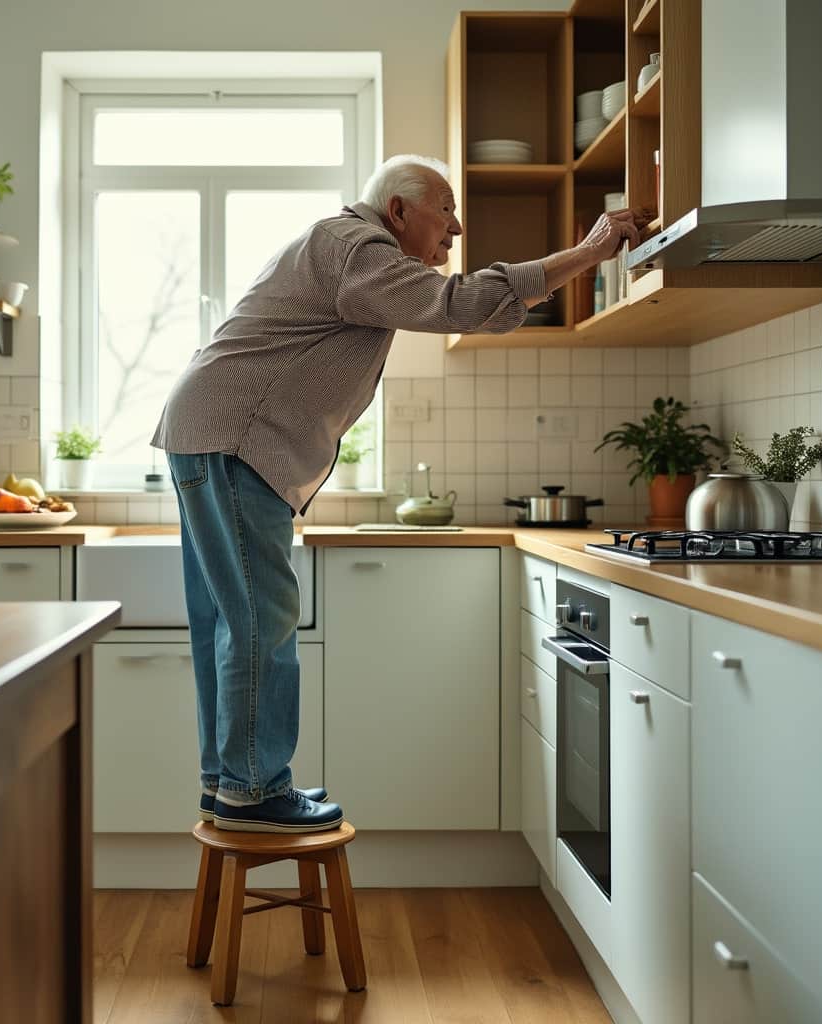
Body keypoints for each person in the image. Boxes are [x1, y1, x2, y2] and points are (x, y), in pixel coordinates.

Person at [150, 154, 642, 834]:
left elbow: (457, 301)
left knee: (230, 621)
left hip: (211, 434)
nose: (458, 227)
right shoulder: (355, 244)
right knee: (261, 619)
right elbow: (457, 303)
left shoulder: (344, 248)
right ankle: (253, 789)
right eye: (446, 208)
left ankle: (231, 781)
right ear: (400, 211)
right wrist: (588, 253)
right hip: (234, 442)